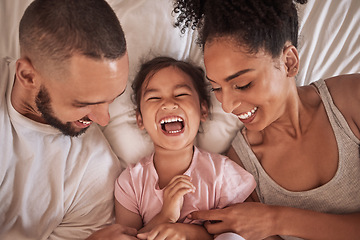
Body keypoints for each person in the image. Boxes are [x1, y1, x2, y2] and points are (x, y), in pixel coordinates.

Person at [173, 0, 360, 239]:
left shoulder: (351, 101)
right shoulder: (241, 168)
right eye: (217, 88)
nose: (228, 106)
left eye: (242, 84)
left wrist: (277, 219)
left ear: (289, 62)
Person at [0, 0, 130, 239]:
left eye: (113, 98)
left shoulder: (95, 171)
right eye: (84, 103)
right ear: (28, 76)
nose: (104, 119)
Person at [114, 56, 256, 240]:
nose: (168, 104)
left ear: (203, 110)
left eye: (181, 94)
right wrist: (165, 217)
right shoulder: (131, 183)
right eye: (154, 97)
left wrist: (190, 233)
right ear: (140, 119)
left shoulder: (223, 174)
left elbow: (246, 230)